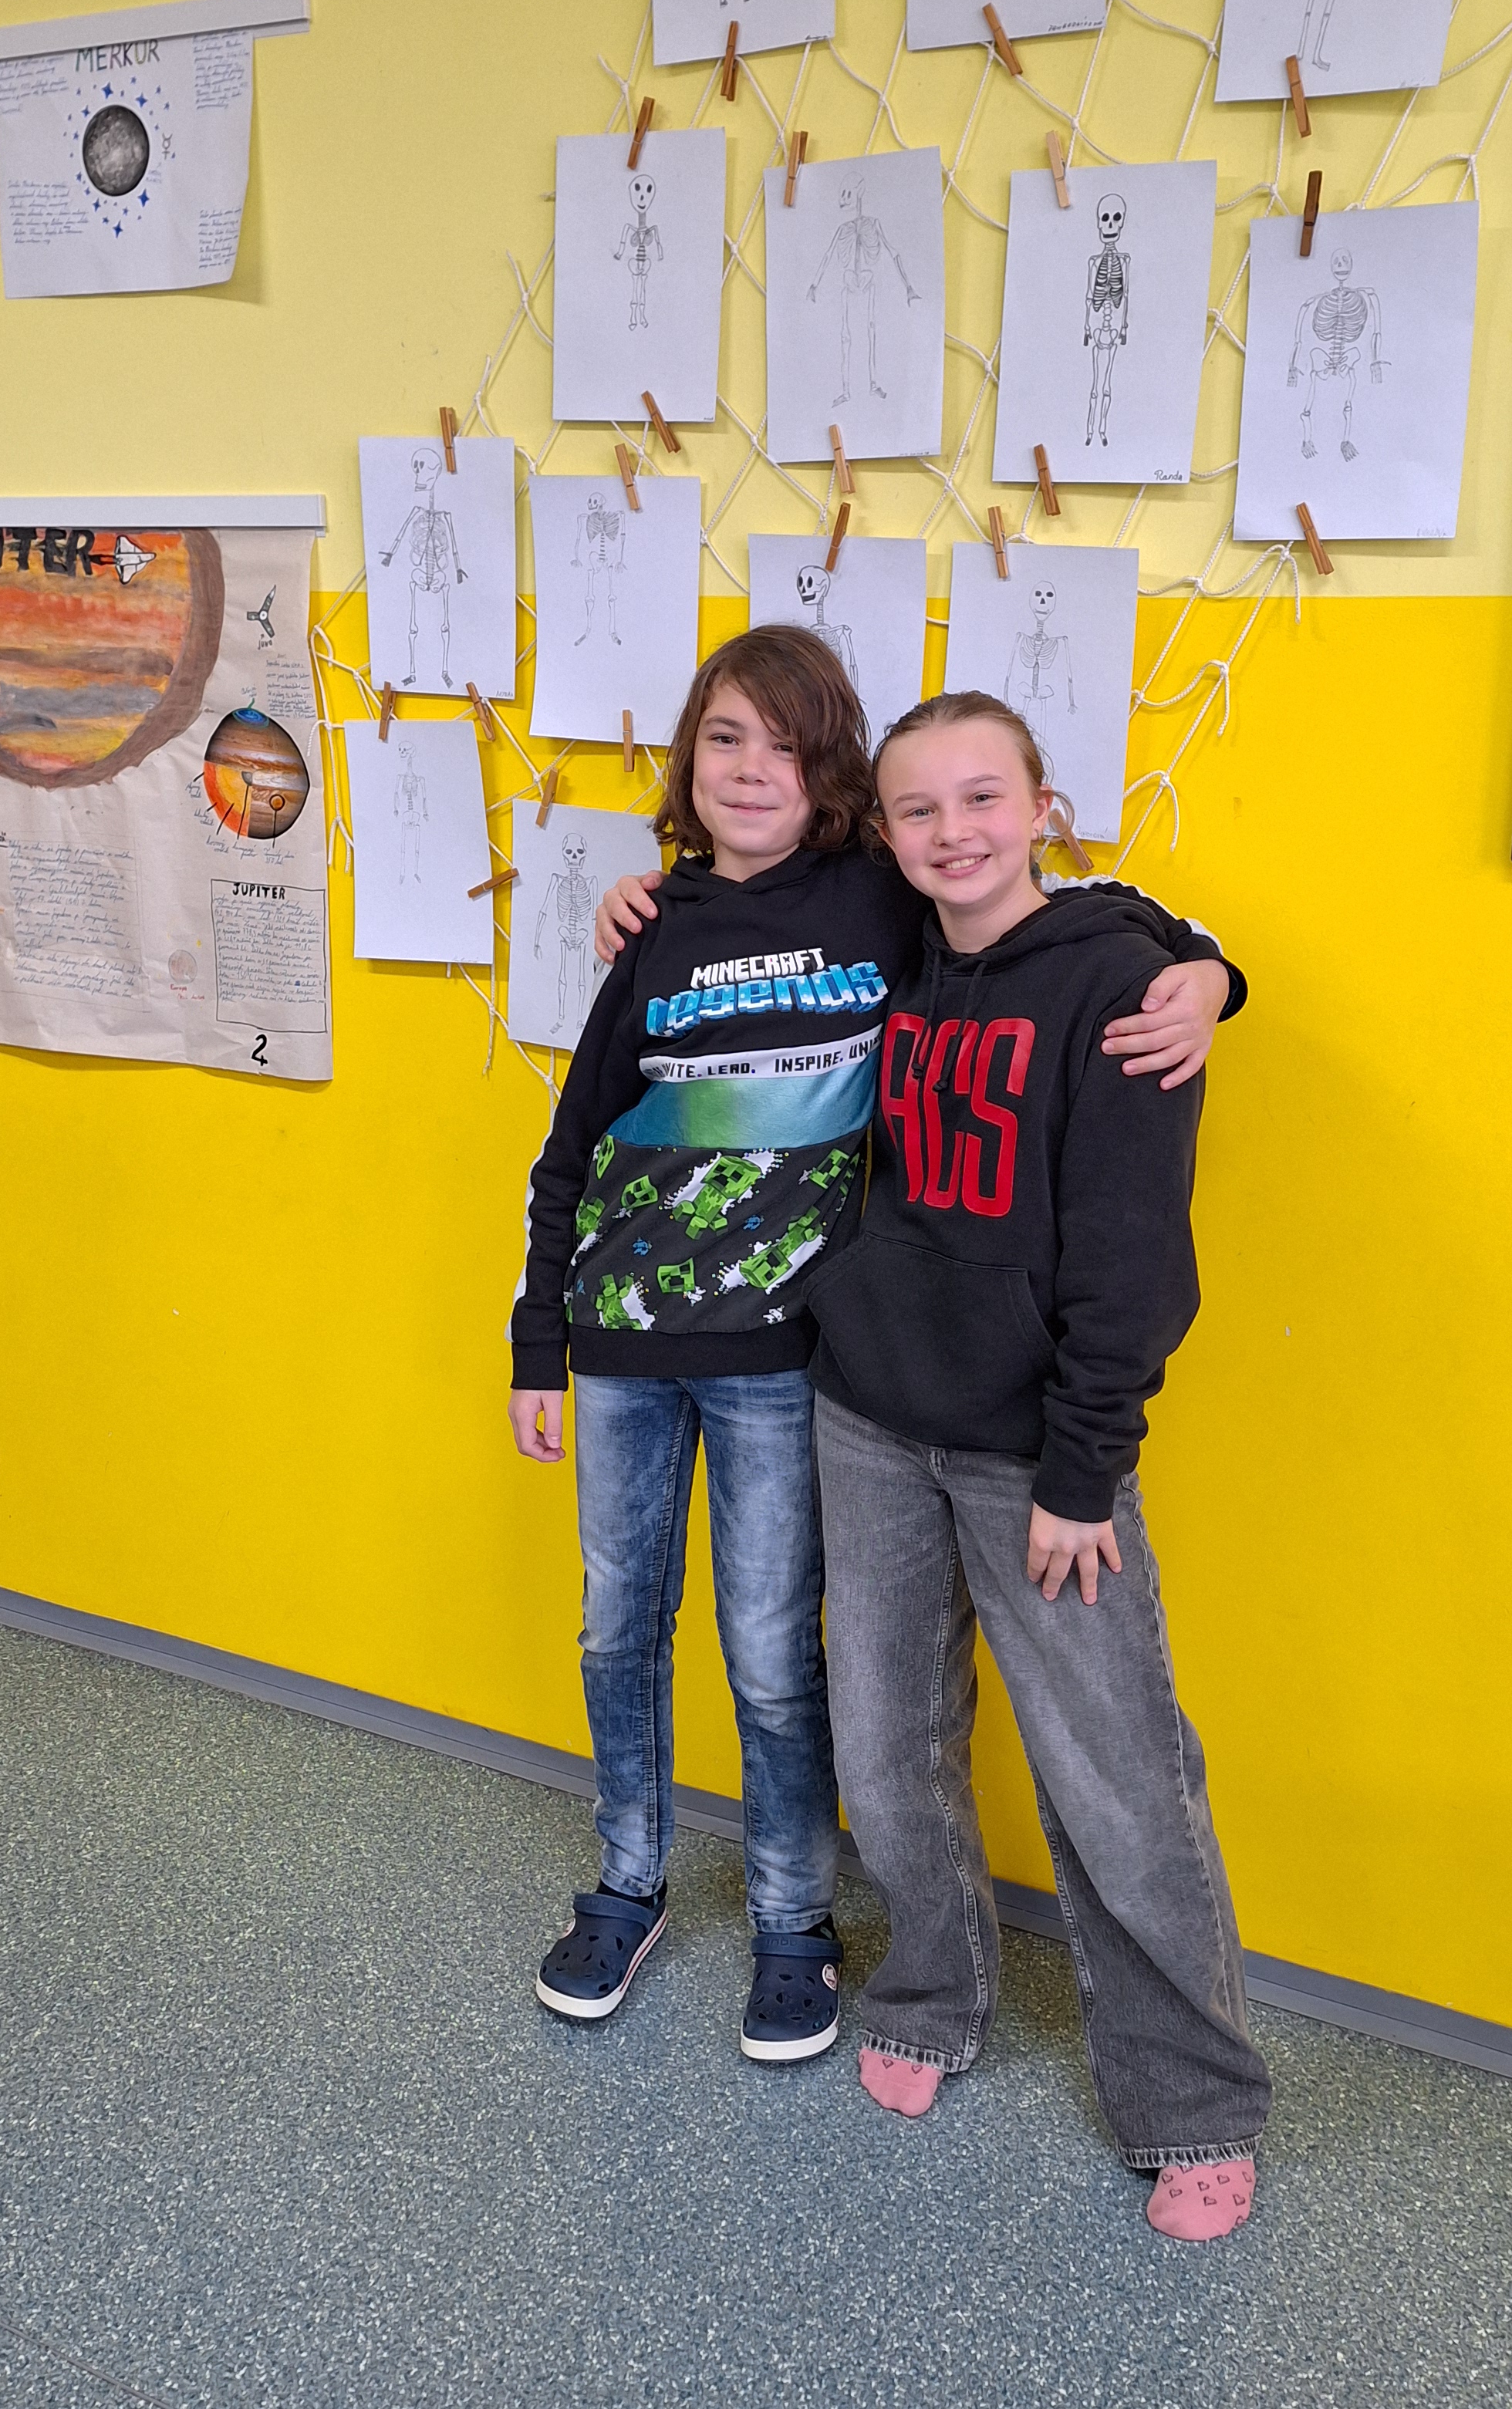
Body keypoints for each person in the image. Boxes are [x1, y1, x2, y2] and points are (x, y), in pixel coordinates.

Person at [512, 629, 1236, 2067]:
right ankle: (645, 1890)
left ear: (833, 772)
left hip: (812, 1367)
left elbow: (1082, 915)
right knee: (643, 1639)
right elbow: (572, 1142)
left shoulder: (887, 898)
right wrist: (540, 1336)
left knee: (784, 1658)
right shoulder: (658, 925)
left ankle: (800, 1920)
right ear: (689, 759)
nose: (750, 770)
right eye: (725, 739)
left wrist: (1211, 971)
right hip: (678, 1356)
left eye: (786, 746)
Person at [799, 689, 1267, 2241]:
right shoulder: (892, 941)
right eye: (919, 810)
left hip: (1039, 1455)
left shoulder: (1123, 983)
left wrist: (1082, 1469)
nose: (954, 834)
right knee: (886, 1744)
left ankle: (1193, 2105)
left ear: (1045, 809)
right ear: (885, 832)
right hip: (869, 1414)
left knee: (1117, 1776)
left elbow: (1133, 1258)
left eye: (984, 799)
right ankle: (930, 1996)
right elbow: (748, 902)